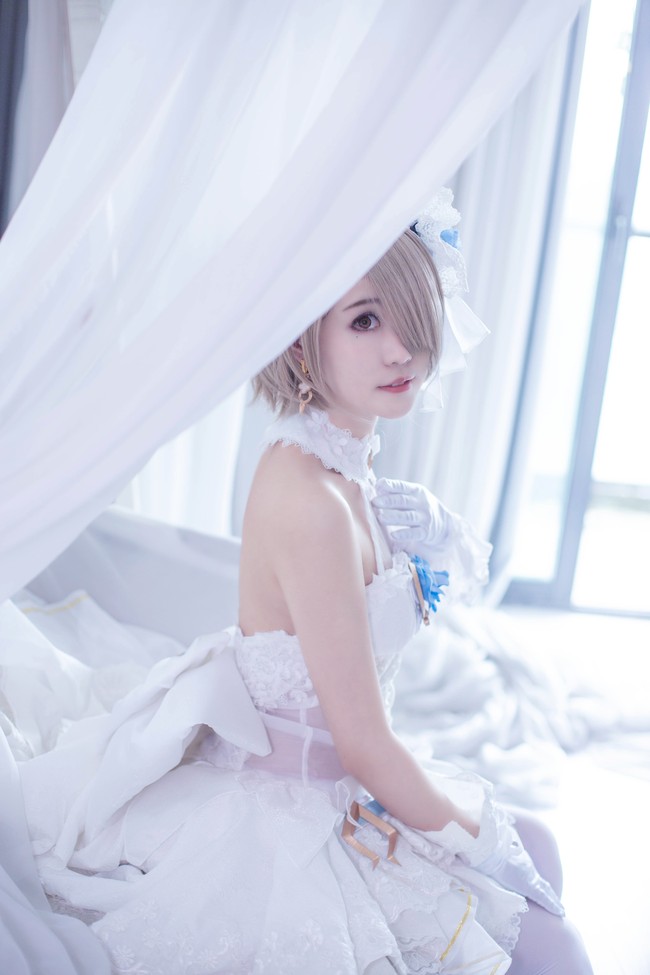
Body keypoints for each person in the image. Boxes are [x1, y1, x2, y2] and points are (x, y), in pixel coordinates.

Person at [12, 190, 593, 974]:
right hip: (302, 810)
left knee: (546, 849)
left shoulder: (346, 461)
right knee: (558, 946)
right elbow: (363, 743)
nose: (402, 350)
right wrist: (477, 837)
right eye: (365, 320)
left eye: (411, 315)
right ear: (299, 340)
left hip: (353, 783)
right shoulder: (309, 501)